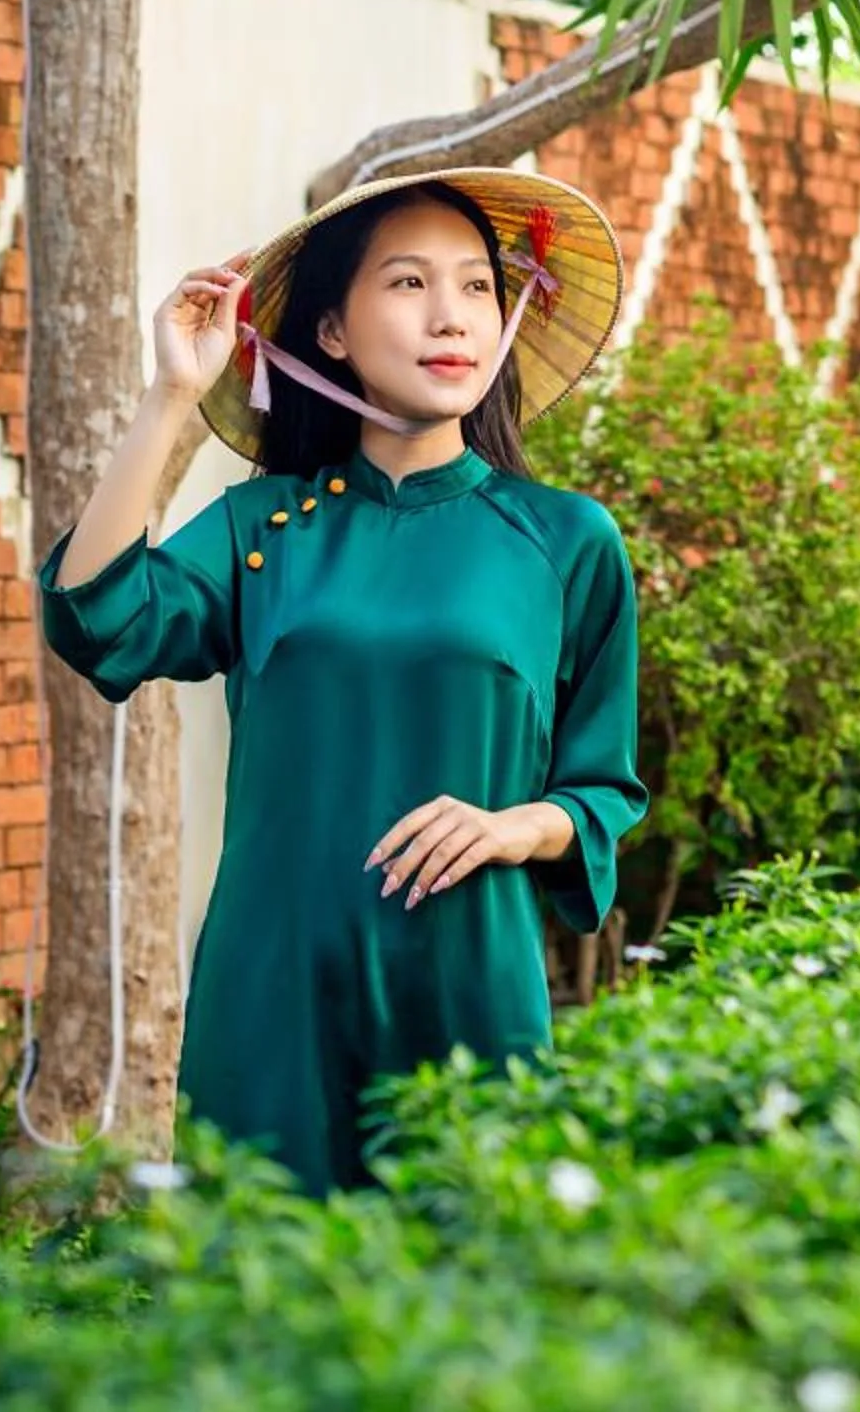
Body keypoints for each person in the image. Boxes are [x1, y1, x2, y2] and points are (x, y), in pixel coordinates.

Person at [36, 168, 648, 1194]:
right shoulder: (263, 527)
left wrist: (512, 827)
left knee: (471, 1265)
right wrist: (169, 398)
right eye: (408, 283)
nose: (451, 316)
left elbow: (602, 789)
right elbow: (97, 616)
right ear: (330, 331)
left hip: (467, 978)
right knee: (257, 1267)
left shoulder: (565, 541)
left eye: (476, 286)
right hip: (273, 985)